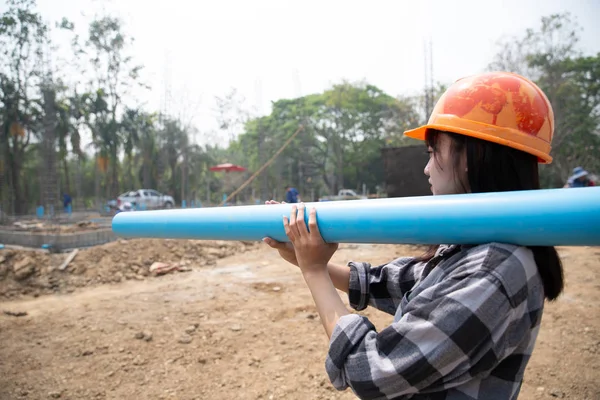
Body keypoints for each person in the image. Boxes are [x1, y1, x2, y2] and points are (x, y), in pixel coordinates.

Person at [263, 71, 564, 399]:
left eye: (433, 152)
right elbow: (405, 281)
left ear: (472, 156)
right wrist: (304, 255)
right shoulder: (486, 243)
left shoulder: (494, 268)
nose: (426, 168)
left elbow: (372, 371)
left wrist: (314, 271)